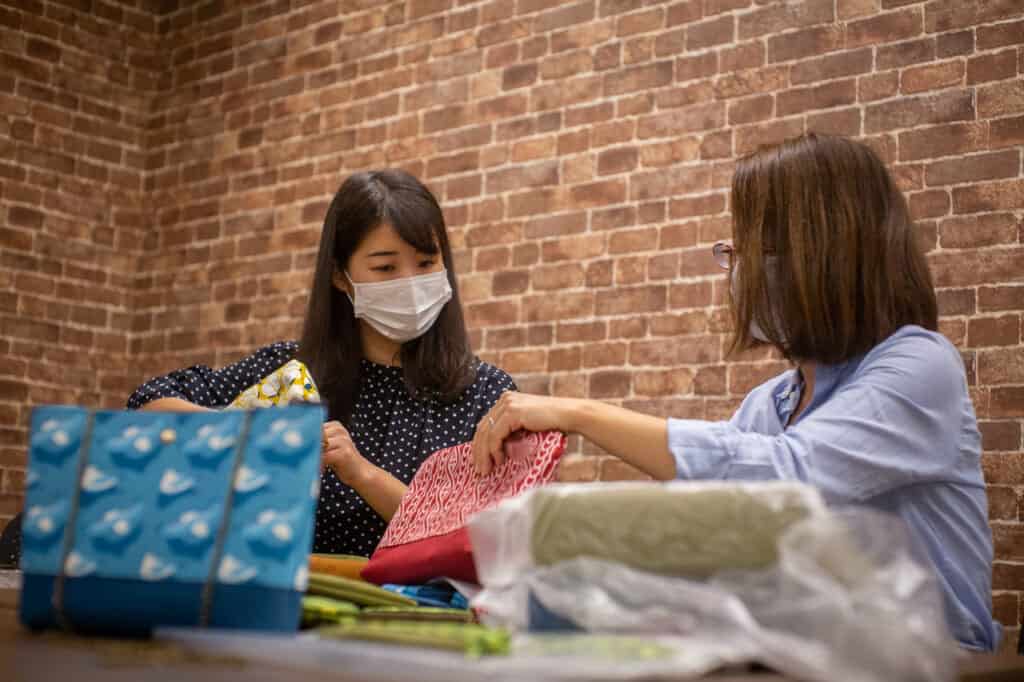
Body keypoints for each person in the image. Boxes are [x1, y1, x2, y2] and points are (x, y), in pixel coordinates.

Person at [471, 133, 999, 651]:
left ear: (827, 252)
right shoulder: (770, 404)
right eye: (735, 251)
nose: (739, 272)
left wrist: (580, 414)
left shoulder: (920, 365)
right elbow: (713, 522)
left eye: (755, 248)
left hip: (934, 660)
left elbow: (787, 479)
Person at [130, 169, 515, 557]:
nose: (410, 282)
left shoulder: (488, 396)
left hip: (422, 613)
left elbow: (478, 538)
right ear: (340, 276)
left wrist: (361, 474)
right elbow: (149, 402)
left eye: (427, 263)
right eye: (385, 268)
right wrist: (250, 434)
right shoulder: (290, 371)